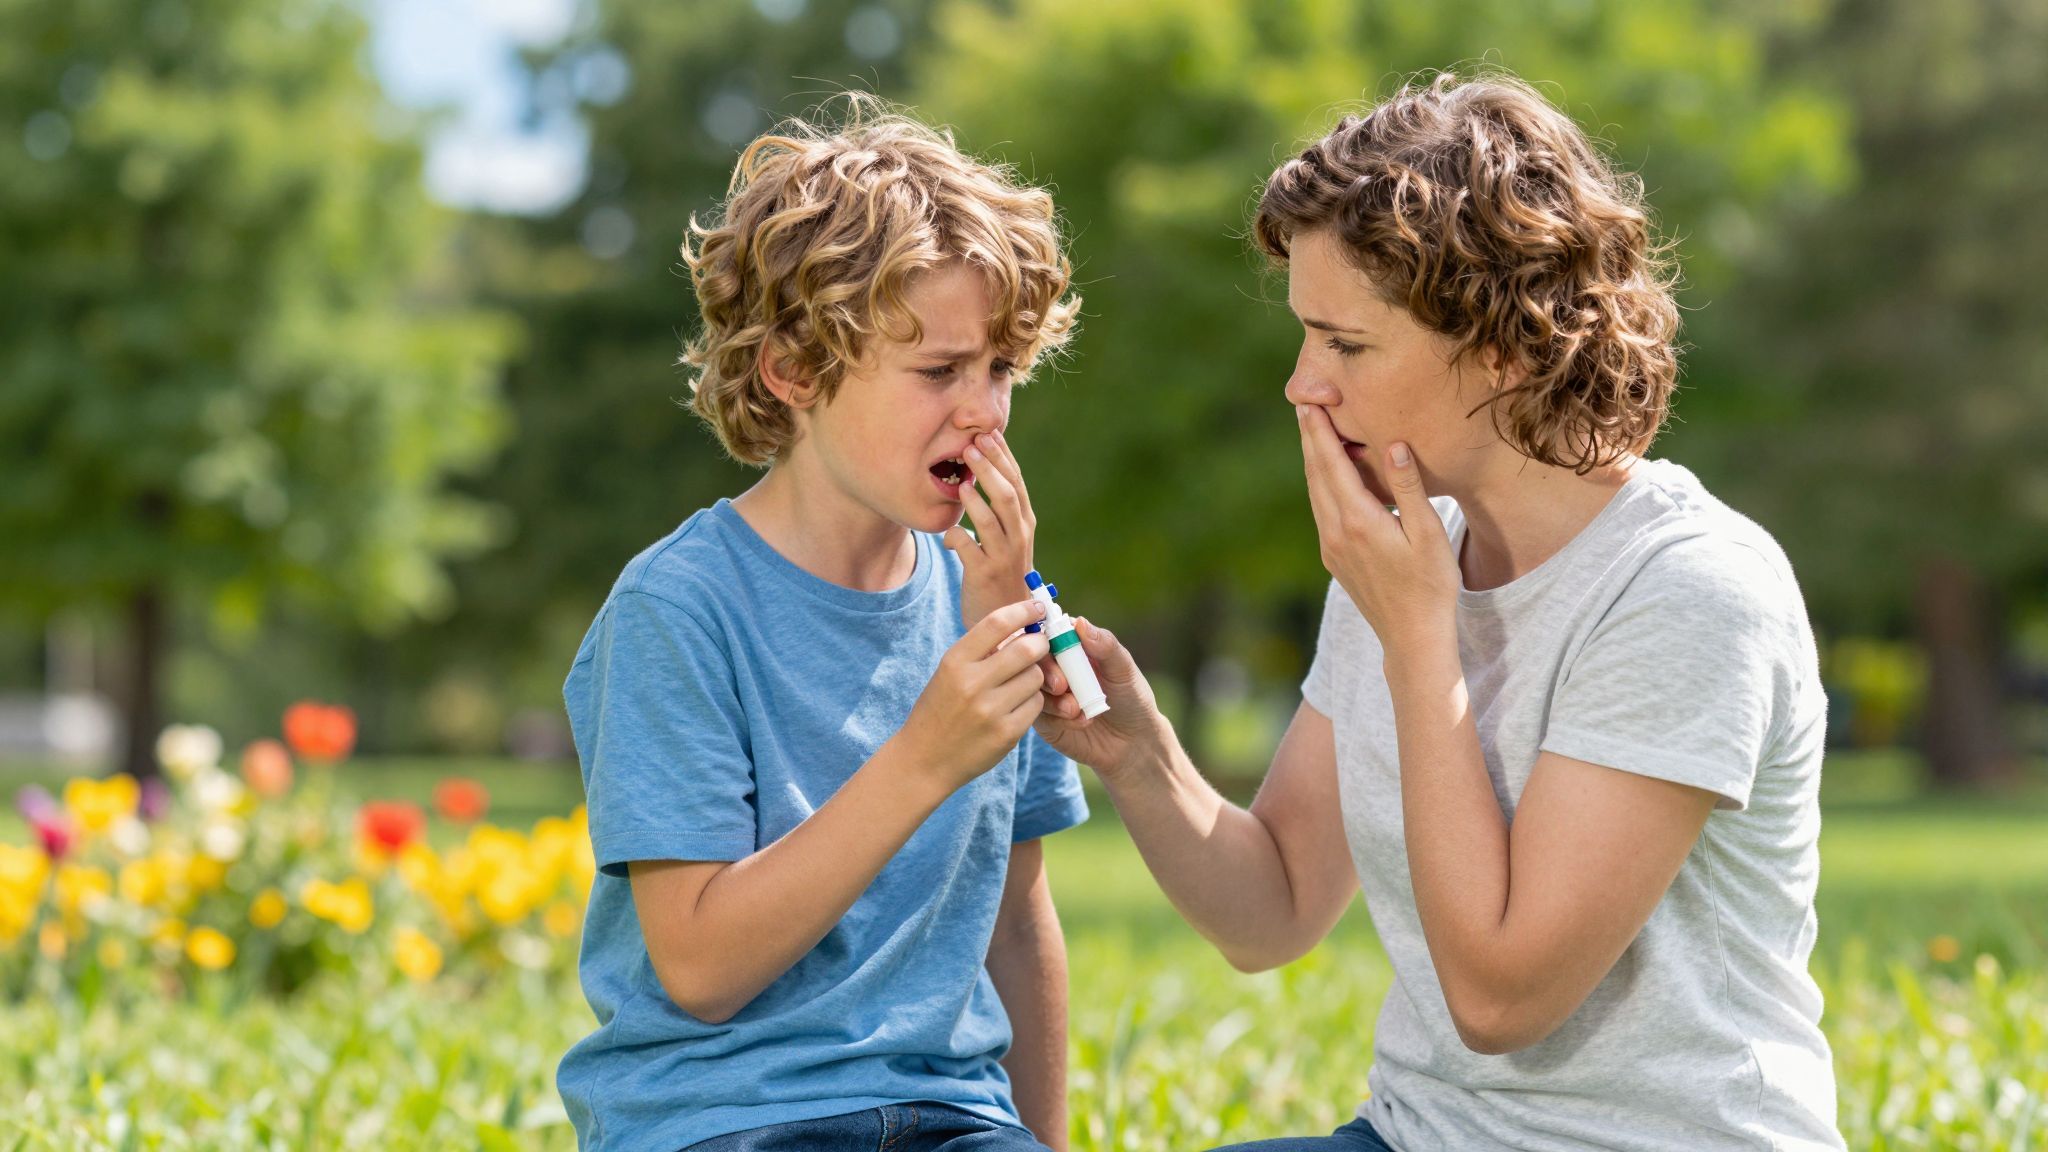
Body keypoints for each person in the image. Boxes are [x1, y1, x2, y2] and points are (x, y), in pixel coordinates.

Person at [1032, 71, 1846, 1151]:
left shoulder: (1688, 589)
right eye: (1304, 335)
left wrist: (1421, 636)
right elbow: (1270, 910)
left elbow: (1501, 1002)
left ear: (1504, 344)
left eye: (1345, 344)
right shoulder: (1407, 560)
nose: (1299, 386)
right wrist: (1140, 756)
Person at [556, 100, 1088, 1152]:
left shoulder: (991, 597)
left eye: (1000, 371)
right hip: (725, 1117)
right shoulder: (678, 610)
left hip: (952, 1118)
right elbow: (701, 969)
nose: (982, 412)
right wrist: (927, 756)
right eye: (937, 372)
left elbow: (1018, 924)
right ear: (792, 372)